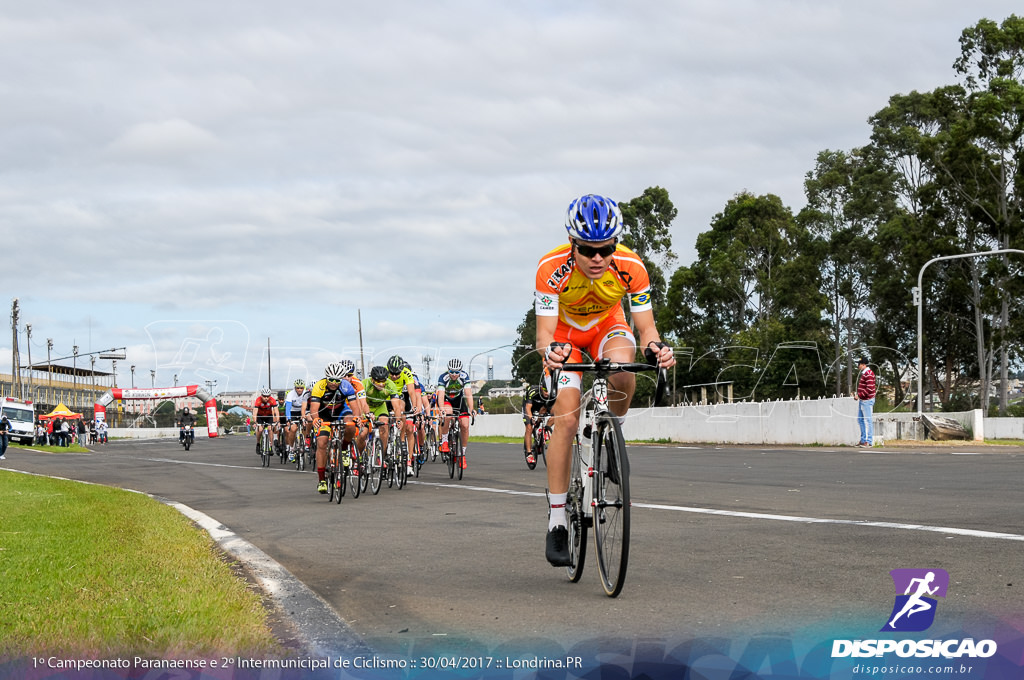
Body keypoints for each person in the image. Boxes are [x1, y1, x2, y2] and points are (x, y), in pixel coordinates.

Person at [536, 193, 675, 567]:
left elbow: (646, 327)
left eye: (606, 248)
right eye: (588, 250)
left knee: (623, 367)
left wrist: (656, 348)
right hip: (566, 339)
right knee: (565, 420)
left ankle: (614, 433)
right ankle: (558, 520)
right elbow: (544, 335)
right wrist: (551, 353)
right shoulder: (550, 268)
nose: (598, 258)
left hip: (607, 329)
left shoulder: (631, 266)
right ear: (573, 244)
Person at [309, 362, 359, 494]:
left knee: (351, 424)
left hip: (341, 411)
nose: (333, 383)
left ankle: (343, 450)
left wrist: (357, 417)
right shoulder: (319, 386)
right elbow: (314, 409)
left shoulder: (346, 386)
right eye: (331, 380)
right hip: (324, 415)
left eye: (337, 380)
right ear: (326, 378)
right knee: (322, 443)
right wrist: (316, 419)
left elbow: (354, 407)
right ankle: (322, 480)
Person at [435, 358, 473, 471]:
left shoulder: (464, 377)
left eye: (457, 372)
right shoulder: (443, 378)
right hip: (446, 400)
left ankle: (462, 455)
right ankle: (445, 440)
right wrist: (441, 409)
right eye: (451, 372)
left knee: (465, 425)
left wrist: (472, 409)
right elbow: (440, 395)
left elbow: (469, 394)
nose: (454, 374)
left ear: (460, 371)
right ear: (448, 371)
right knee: (448, 413)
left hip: (459, 400)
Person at [522, 377, 556, 466]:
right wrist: (531, 418)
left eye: (549, 390)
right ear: (541, 387)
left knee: (556, 415)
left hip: (543, 406)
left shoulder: (553, 393)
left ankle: (545, 430)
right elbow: (528, 408)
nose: (547, 393)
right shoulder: (533, 391)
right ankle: (529, 453)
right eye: (545, 390)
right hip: (530, 406)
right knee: (529, 427)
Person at [283, 379, 311, 461]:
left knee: (307, 422)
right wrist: (288, 419)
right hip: (293, 412)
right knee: (293, 429)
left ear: (303, 388)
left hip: (303, 410)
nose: (299, 390)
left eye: (301, 388)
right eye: (298, 388)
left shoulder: (306, 393)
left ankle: (306, 441)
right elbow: (288, 408)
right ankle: (291, 449)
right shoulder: (291, 394)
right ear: (295, 388)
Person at [854, 357, 876, 447]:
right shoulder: (865, 374)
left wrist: (859, 395)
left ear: (863, 364)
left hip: (867, 400)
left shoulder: (868, 374)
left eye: (859, 364)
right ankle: (863, 440)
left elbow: (870, 389)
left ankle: (869, 441)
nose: (858, 366)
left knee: (867, 421)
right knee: (860, 420)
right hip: (863, 400)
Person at [252, 388, 280, 454]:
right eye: (264, 396)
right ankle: (258, 444)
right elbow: (255, 412)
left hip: (269, 416)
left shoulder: (272, 400)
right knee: (260, 429)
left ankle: (270, 447)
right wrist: (255, 421)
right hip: (260, 416)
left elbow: (276, 411)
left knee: (270, 429)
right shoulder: (258, 400)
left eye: (268, 396)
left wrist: (278, 421)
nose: (266, 398)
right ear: (261, 395)